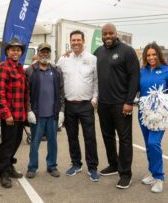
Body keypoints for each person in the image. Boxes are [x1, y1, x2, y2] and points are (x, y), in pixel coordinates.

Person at [94, 23, 140, 189]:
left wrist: (129, 102)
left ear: (115, 33)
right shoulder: (98, 52)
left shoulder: (127, 51)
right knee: (107, 136)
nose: (107, 36)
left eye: (110, 33)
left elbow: (134, 77)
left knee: (125, 139)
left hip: (121, 104)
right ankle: (113, 164)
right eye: (105, 34)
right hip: (103, 104)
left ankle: (125, 174)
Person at [58, 30, 99, 182]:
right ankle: (76, 164)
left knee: (90, 138)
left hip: (86, 105)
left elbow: (96, 81)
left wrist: (95, 99)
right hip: (69, 105)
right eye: (73, 40)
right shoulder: (63, 59)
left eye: (78, 40)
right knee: (72, 137)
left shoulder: (92, 59)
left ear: (83, 41)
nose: (76, 42)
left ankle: (93, 167)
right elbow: (56, 76)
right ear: (70, 42)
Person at [25, 42, 65, 179]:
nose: (45, 54)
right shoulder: (30, 70)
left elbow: (61, 93)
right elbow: (26, 93)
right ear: (38, 53)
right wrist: (28, 110)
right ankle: (32, 167)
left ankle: (52, 166)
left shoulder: (56, 70)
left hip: (52, 114)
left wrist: (61, 111)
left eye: (47, 52)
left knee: (53, 142)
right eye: (42, 51)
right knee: (35, 142)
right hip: (37, 115)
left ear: (50, 54)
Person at [0, 37, 28, 188]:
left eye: (18, 50)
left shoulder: (20, 68)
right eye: (13, 49)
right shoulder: (2, 68)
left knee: (16, 142)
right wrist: (6, 114)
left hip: (20, 114)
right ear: (7, 51)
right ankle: (3, 173)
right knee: (7, 144)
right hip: (10, 115)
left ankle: (9, 166)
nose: (16, 52)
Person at [139, 43, 168, 193]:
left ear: (159, 55)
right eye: (148, 55)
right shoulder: (142, 71)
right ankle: (152, 172)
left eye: (154, 54)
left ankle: (159, 177)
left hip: (160, 114)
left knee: (153, 143)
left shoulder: (166, 70)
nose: (151, 57)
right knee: (148, 144)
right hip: (144, 113)